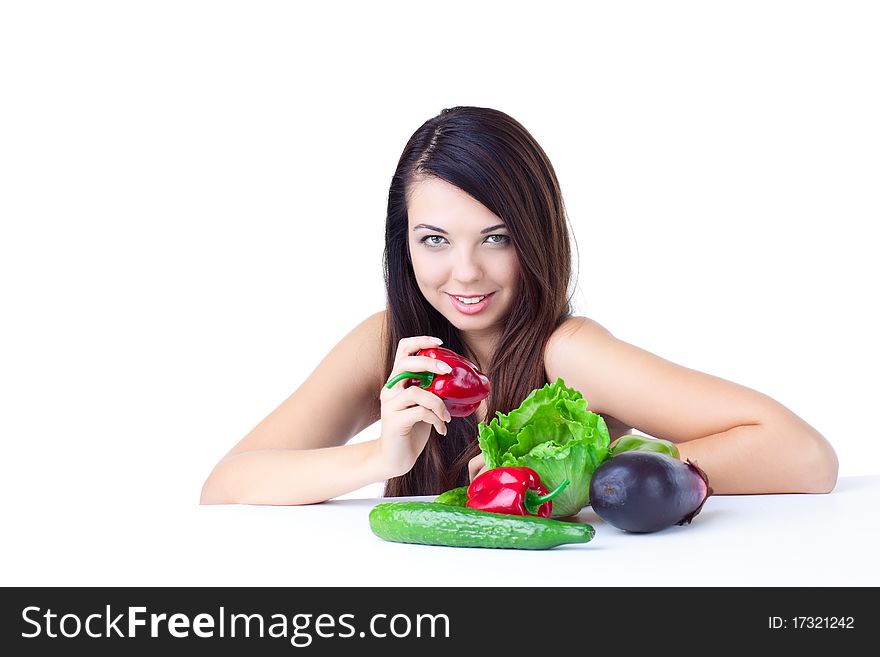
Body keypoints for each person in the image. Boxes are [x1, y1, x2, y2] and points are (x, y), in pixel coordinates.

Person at [200, 106, 838, 506]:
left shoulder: (568, 353)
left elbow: (803, 455)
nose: (466, 272)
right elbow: (227, 485)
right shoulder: (394, 346)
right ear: (405, 246)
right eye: (435, 240)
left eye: (496, 238)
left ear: (534, 238)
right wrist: (379, 459)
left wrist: (588, 471)